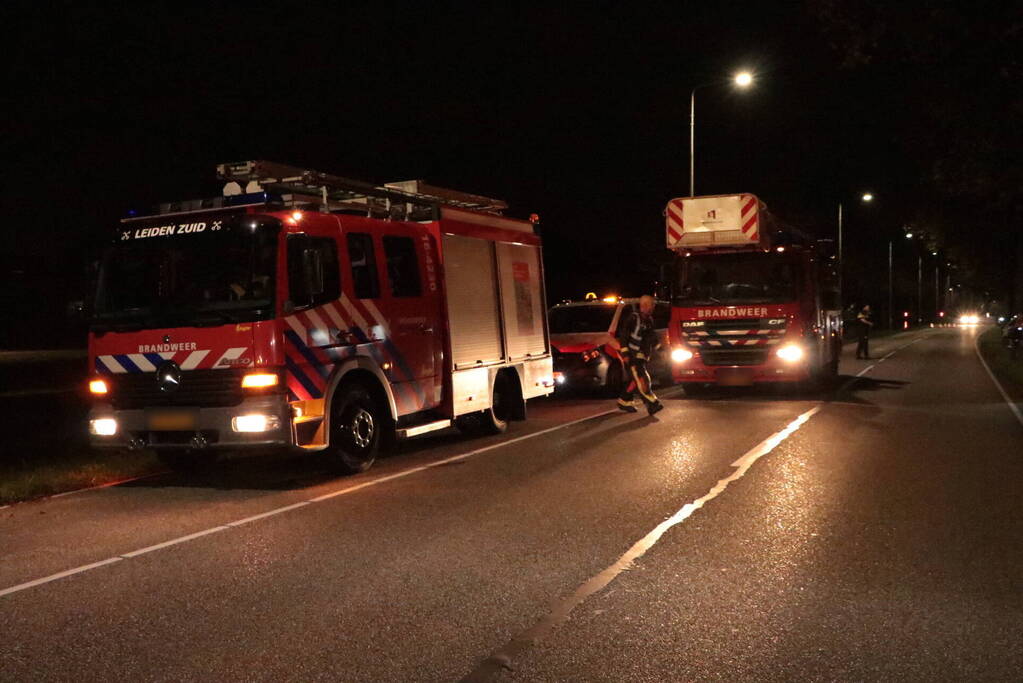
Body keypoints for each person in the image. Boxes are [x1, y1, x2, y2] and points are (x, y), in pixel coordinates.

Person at [615, 295, 664, 416]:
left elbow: (652, 337)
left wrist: (661, 350)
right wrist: (625, 354)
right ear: (645, 305)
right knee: (643, 379)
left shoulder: (649, 320)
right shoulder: (633, 318)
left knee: (635, 379)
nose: (653, 307)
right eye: (652, 305)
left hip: (641, 356)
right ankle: (652, 403)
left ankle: (624, 400)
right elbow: (624, 337)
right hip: (633, 356)